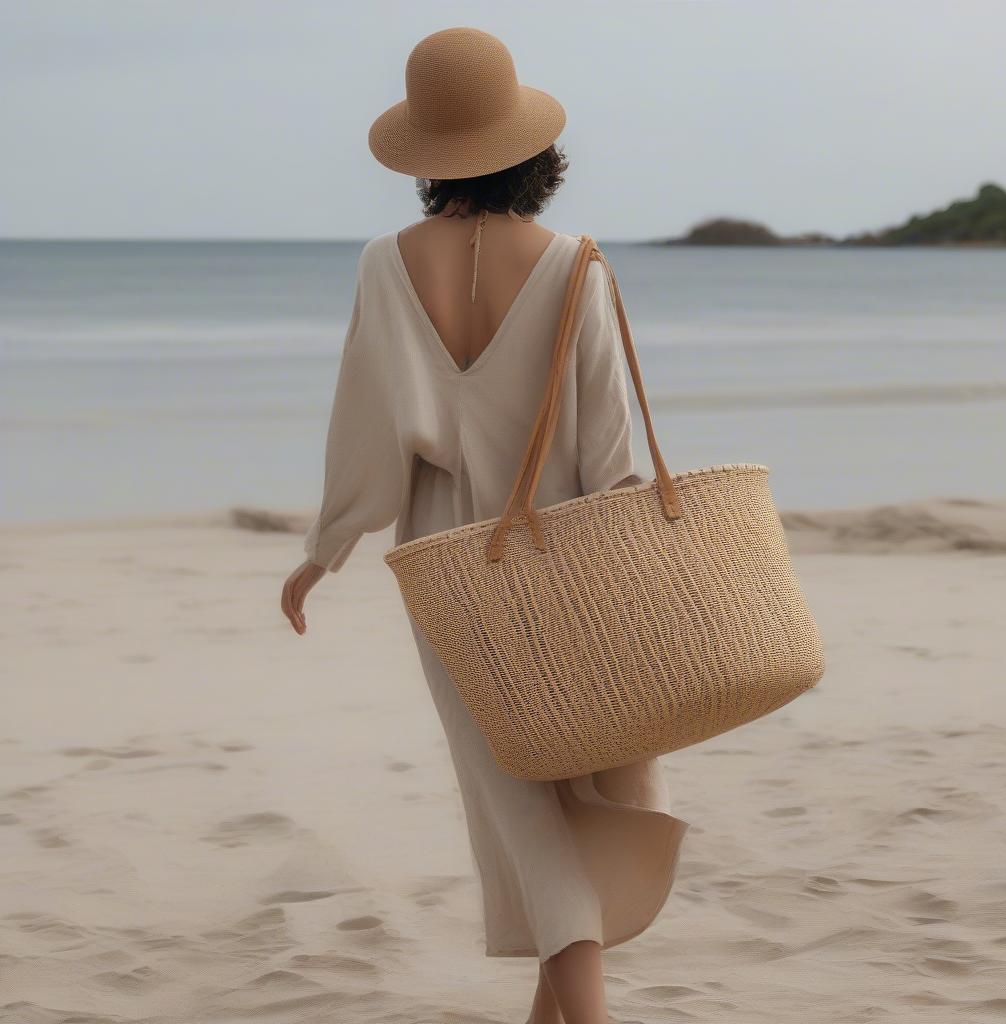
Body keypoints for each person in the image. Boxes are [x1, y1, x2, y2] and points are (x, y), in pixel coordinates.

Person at [280, 26, 687, 1024]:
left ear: (425, 156)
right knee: (593, 798)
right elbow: (616, 462)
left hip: (448, 573)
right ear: (529, 150)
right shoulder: (576, 268)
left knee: (519, 806)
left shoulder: (384, 266)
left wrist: (321, 551)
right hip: (577, 567)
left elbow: (367, 442)